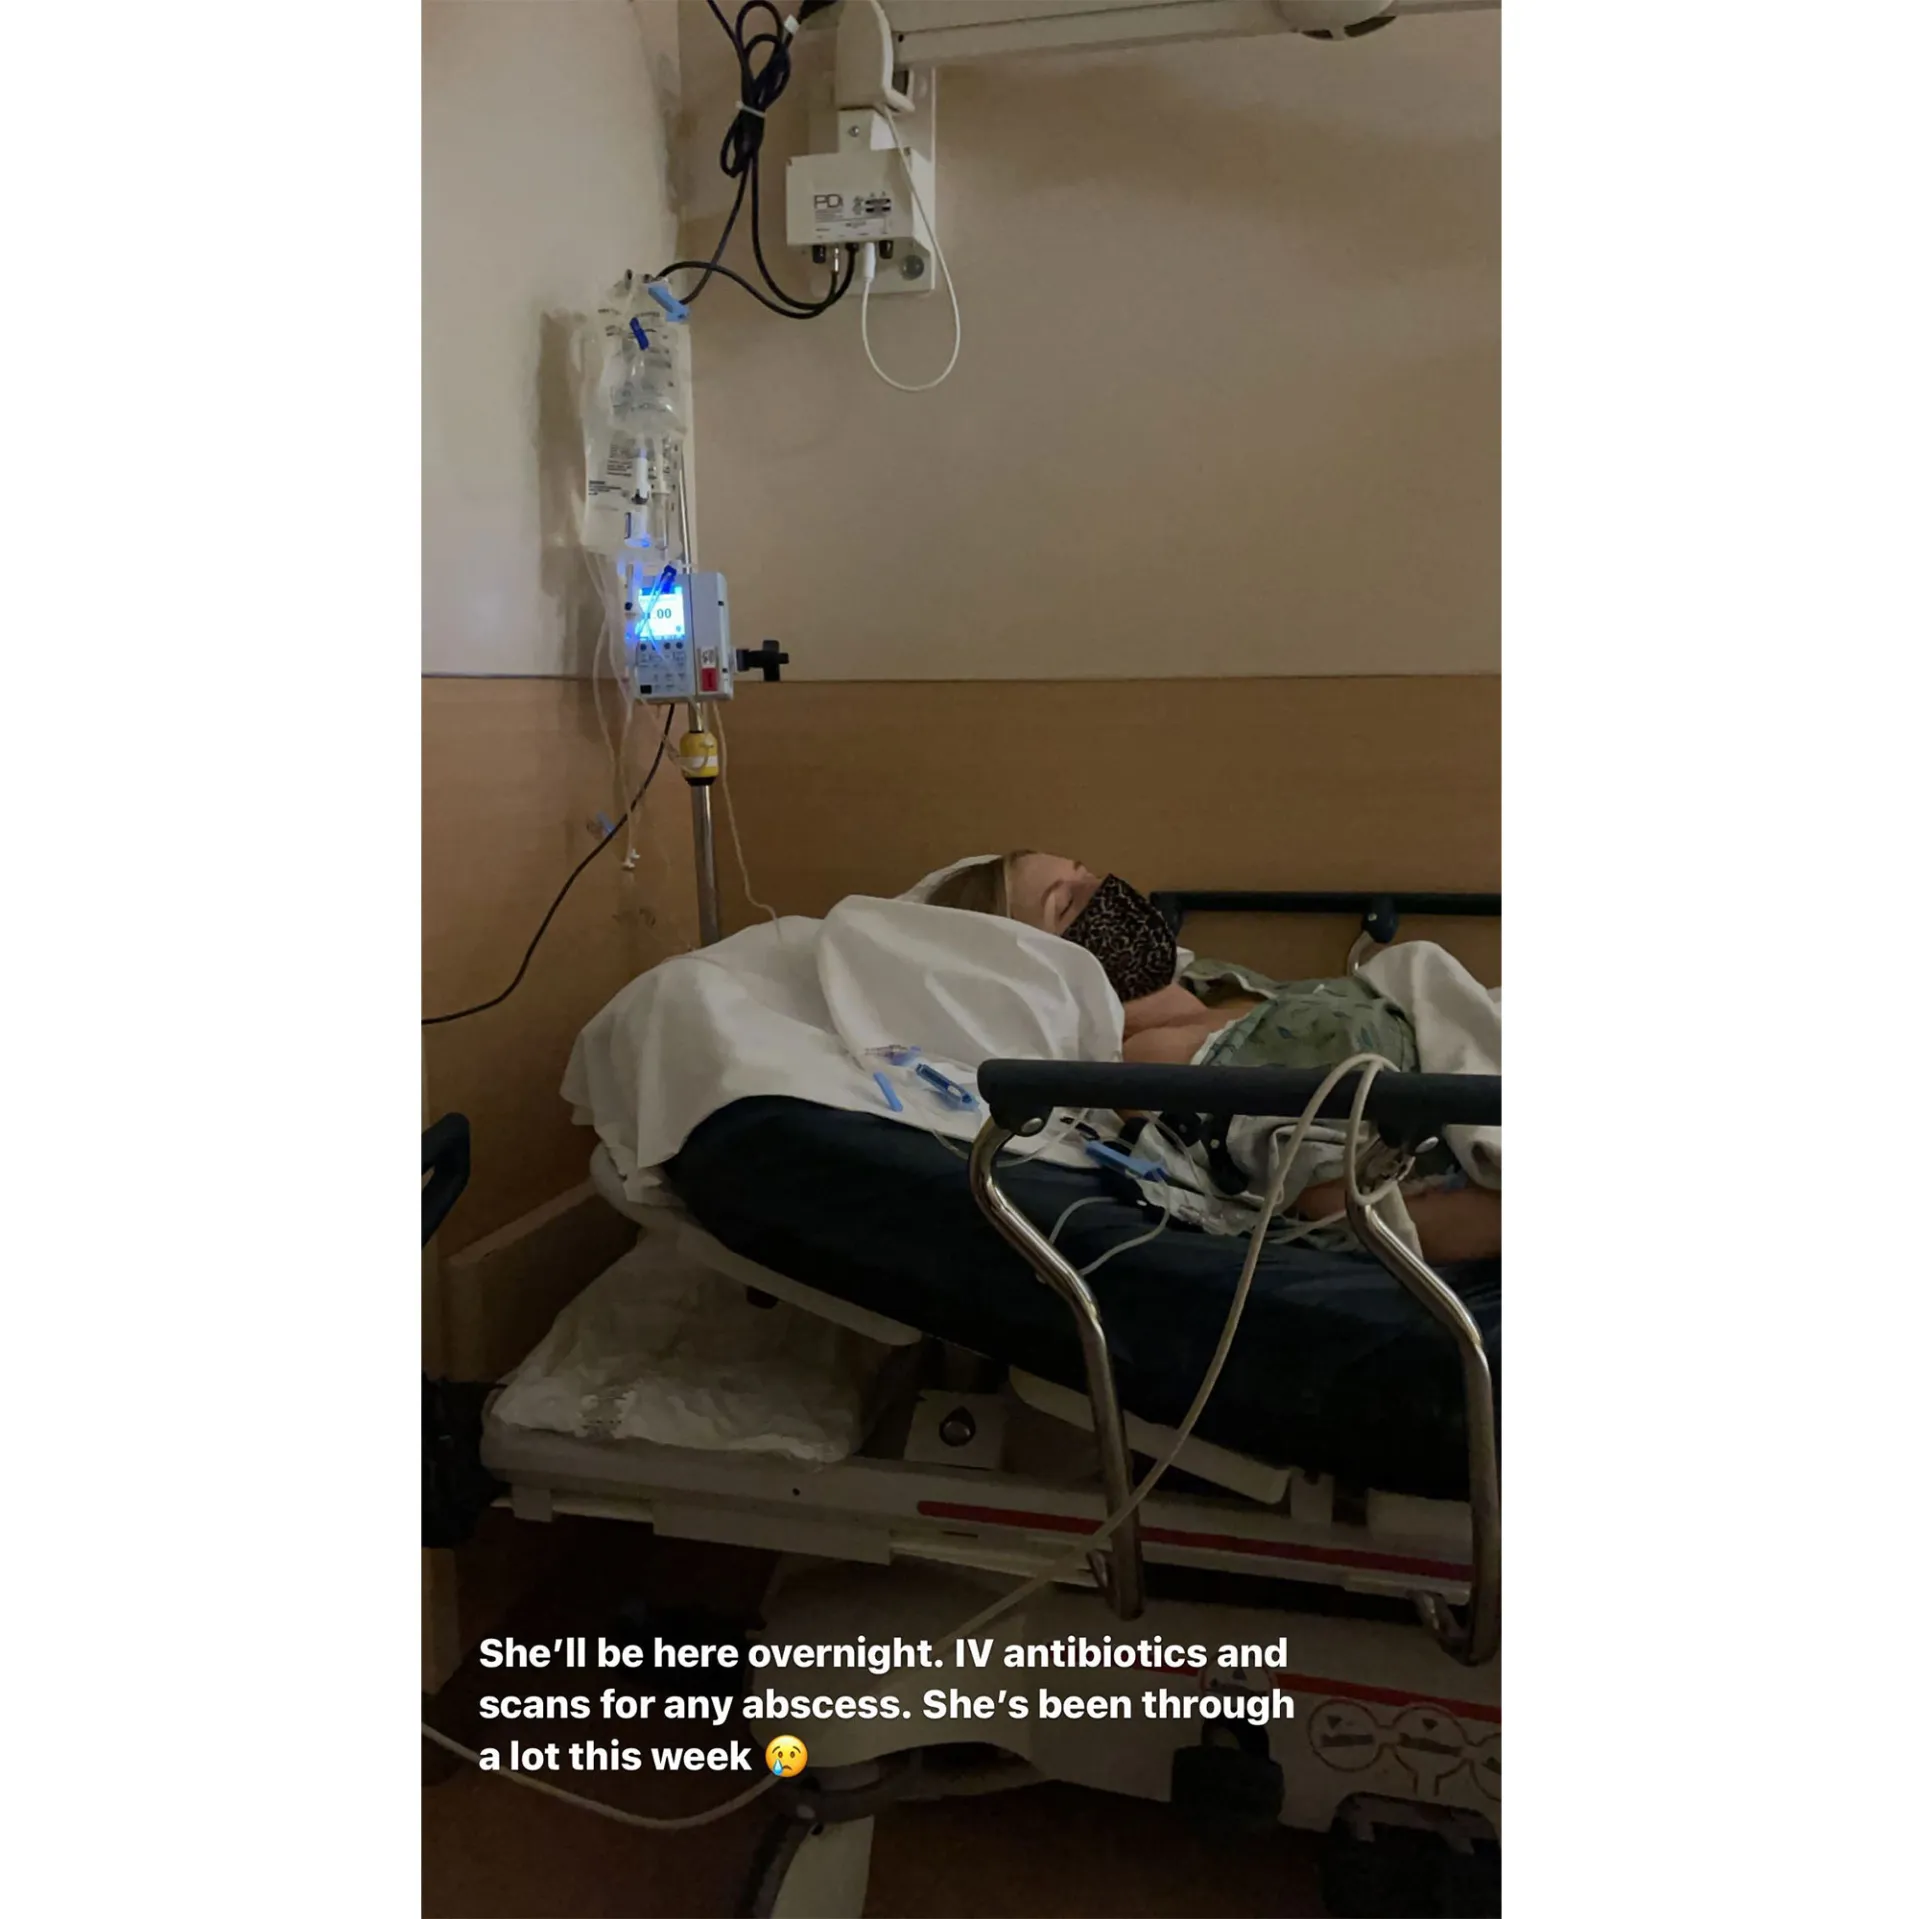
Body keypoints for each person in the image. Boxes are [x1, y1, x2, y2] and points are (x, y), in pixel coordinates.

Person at [923, 851, 1499, 1261]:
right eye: (1069, 903)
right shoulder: (1149, 1069)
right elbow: (1350, 1204)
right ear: (1038, 968)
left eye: (1086, 871)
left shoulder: (1214, 981)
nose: (1105, 890)